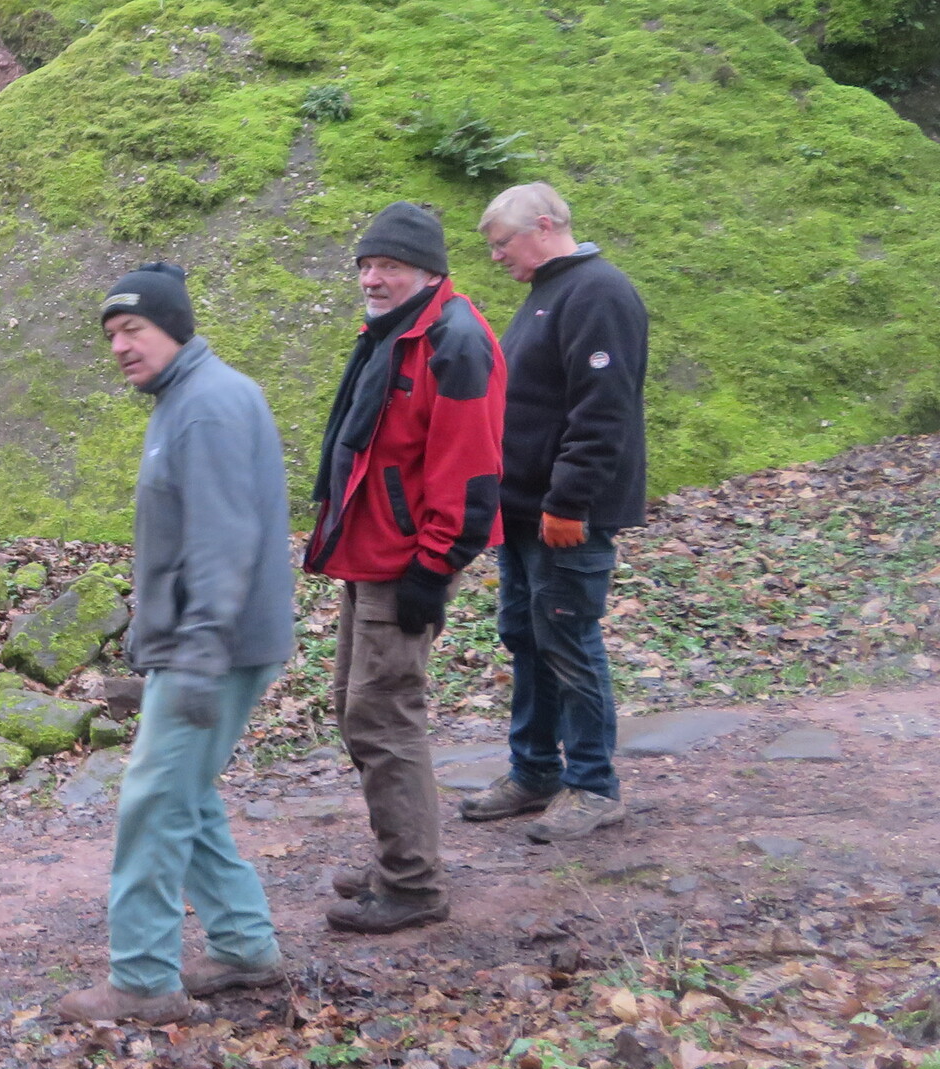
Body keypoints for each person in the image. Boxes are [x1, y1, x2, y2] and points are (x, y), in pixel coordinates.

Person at [58, 263, 296, 1025]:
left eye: (134, 329)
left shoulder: (208, 406)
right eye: (111, 335)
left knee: (154, 803)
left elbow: (224, 539)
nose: (121, 346)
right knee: (183, 794)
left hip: (216, 646)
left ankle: (142, 979)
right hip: (211, 641)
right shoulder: (186, 399)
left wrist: (196, 649)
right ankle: (244, 946)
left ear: (174, 327)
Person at [305, 203, 505, 934]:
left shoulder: (454, 342)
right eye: (365, 265)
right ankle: (400, 857)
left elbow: (471, 470)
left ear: (427, 272)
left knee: (384, 717)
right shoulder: (398, 332)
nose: (372, 278)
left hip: (406, 559)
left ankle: (414, 885)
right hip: (374, 551)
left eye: (388, 266)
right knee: (358, 710)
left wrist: (434, 568)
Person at [460, 184, 648, 842]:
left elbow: (603, 409)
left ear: (542, 226)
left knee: (568, 641)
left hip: (563, 516)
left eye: (501, 243)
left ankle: (593, 786)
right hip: (522, 512)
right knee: (527, 638)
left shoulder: (598, 292)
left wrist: (569, 500)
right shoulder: (550, 293)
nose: (496, 256)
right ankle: (535, 771)